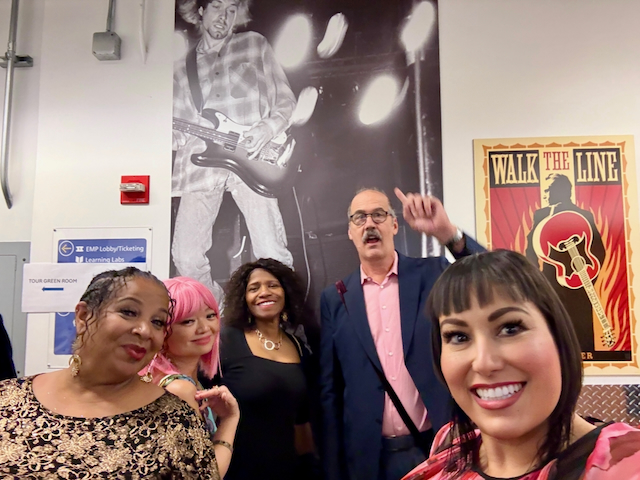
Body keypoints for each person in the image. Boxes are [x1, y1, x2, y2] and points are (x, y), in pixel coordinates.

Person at [403, 249, 640, 480]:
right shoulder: (449, 445)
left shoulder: (628, 463)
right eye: (459, 336)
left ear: (558, 336)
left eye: (510, 328)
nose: (484, 363)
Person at [320, 187, 485, 480]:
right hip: (370, 460)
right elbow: (330, 391)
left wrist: (447, 233)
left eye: (379, 215)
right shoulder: (336, 298)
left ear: (394, 225)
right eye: (359, 218)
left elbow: (494, 277)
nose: (369, 223)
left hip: (437, 449)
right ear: (350, 232)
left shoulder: (432, 274)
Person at [0, 267, 221, 478]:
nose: (144, 330)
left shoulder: (177, 419)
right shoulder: (8, 399)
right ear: (83, 316)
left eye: (157, 322)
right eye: (128, 312)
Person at [172, 0, 296, 303]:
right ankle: (222, 310)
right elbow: (176, 134)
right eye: (216, 7)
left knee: (271, 251)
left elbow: (285, 101)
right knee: (186, 258)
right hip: (200, 166)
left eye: (231, 9)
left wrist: (266, 129)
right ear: (200, 11)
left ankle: (278, 319)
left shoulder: (254, 45)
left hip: (253, 158)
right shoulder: (180, 66)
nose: (224, 17)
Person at [202, 258, 318, 480]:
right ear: (244, 299)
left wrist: (309, 467)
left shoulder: (298, 346)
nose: (264, 292)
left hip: (288, 470)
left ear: (286, 292)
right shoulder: (225, 341)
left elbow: (301, 420)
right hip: (236, 470)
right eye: (254, 288)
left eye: (273, 285)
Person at [139, 276, 240, 477]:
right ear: (162, 330)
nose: (204, 328)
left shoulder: (176, 381)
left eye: (210, 315)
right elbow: (207, 474)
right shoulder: (179, 388)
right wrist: (230, 419)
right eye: (188, 321)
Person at [526, 173, 606, 355]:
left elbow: (598, 249)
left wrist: (586, 276)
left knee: (581, 330)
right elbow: (531, 249)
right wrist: (536, 281)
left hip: (580, 285)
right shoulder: (541, 215)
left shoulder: (583, 215)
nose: (545, 193)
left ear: (563, 191)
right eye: (544, 189)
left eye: (549, 189)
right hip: (548, 285)